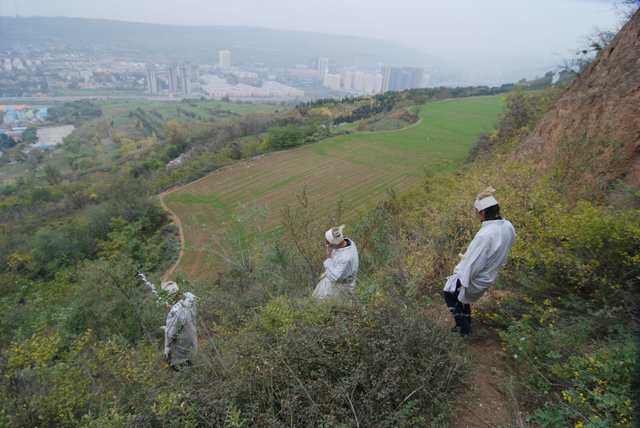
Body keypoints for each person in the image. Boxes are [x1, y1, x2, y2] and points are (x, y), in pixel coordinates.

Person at [443, 187, 516, 336]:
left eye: (477, 212)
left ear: (482, 213)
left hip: (478, 276)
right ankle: (465, 323)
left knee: (450, 293)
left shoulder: (485, 235)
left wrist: (461, 278)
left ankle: (464, 329)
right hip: (490, 273)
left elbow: (474, 263)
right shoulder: (508, 226)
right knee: (460, 297)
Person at [312, 225, 359, 300]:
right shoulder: (349, 242)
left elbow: (334, 277)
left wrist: (328, 257)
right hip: (339, 282)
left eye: (327, 242)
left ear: (334, 244)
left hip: (339, 288)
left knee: (324, 304)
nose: (326, 245)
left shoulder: (345, 257)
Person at [162, 281, 198, 370]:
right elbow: (183, 313)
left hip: (180, 352)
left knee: (185, 371)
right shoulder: (190, 302)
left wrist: (167, 349)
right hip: (192, 342)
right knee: (194, 364)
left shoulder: (174, 313)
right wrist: (173, 307)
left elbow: (171, 334)